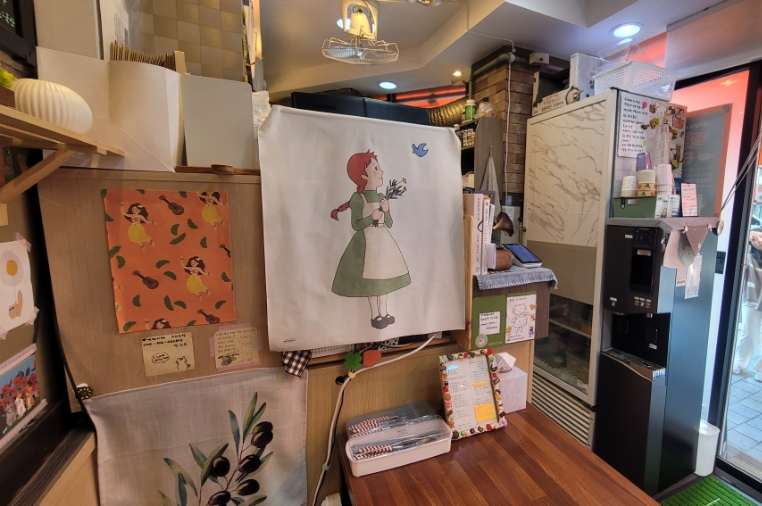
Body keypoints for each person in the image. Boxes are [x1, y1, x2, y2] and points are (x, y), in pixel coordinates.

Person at [330, 151, 410, 329]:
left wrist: (386, 211)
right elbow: (356, 224)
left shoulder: (382, 197)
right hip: (367, 243)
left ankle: (385, 311)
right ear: (363, 176)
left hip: (383, 241)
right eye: (376, 168)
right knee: (372, 279)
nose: (381, 172)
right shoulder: (358, 198)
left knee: (386, 276)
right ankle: (375, 314)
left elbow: (389, 224)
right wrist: (371, 218)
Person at [733, 227, 762, 379]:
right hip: (751, 297)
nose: (759, 241)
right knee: (749, 334)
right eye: (755, 238)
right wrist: (748, 240)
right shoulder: (749, 255)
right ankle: (739, 362)